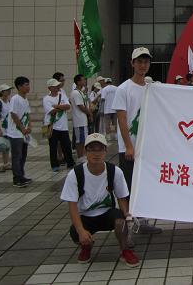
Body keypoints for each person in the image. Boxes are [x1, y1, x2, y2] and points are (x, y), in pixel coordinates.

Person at [60, 133, 139, 267]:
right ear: (85, 151)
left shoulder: (114, 171)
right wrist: (81, 231)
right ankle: (86, 245)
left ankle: (125, 250)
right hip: (86, 216)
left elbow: (121, 197)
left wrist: (127, 214)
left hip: (107, 213)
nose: (96, 153)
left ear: (105, 151)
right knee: (75, 232)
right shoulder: (75, 174)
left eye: (100, 149)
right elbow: (72, 205)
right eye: (92, 149)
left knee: (121, 222)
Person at [112, 48, 151, 190]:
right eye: (139, 62)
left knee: (143, 185)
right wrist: (128, 146)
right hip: (130, 148)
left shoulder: (151, 89)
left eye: (146, 62)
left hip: (146, 147)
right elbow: (122, 120)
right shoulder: (123, 89)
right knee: (129, 185)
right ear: (132, 63)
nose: (143, 65)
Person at [43, 78, 75, 171]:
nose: (57, 87)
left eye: (58, 85)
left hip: (63, 126)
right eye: (55, 86)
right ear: (50, 88)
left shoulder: (62, 95)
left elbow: (68, 106)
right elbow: (51, 111)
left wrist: (57, 106)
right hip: (52, 126)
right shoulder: (46, 99)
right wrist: (62, 107)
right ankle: (54, 165)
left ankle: (70, 163)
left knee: (67, 145)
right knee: (53, 147)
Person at [7, 76, 32, 188]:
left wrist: (29, 126)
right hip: (15, 133)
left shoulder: (25, 99)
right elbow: (13, 114)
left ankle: (21, 175)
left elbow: (28, 114)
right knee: (17, 156)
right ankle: (17, 179)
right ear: (19, 86)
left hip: (24, 133)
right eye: (26, 85)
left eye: (28, 84)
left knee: (23, 155)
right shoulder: (15, 99)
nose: (28, 87)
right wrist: (22, 128)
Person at [71, 74, 93, 161]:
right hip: (79, 120)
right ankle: (80, 156)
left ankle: (82, 155)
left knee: (83, 139)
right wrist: (90, 114)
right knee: (80, 140)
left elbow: (85, 103)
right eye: (83, 80)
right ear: (78, 82)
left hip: (83, 120)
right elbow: (81, 106)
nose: (84, 81)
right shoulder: (76, 93)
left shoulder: (80, 92)